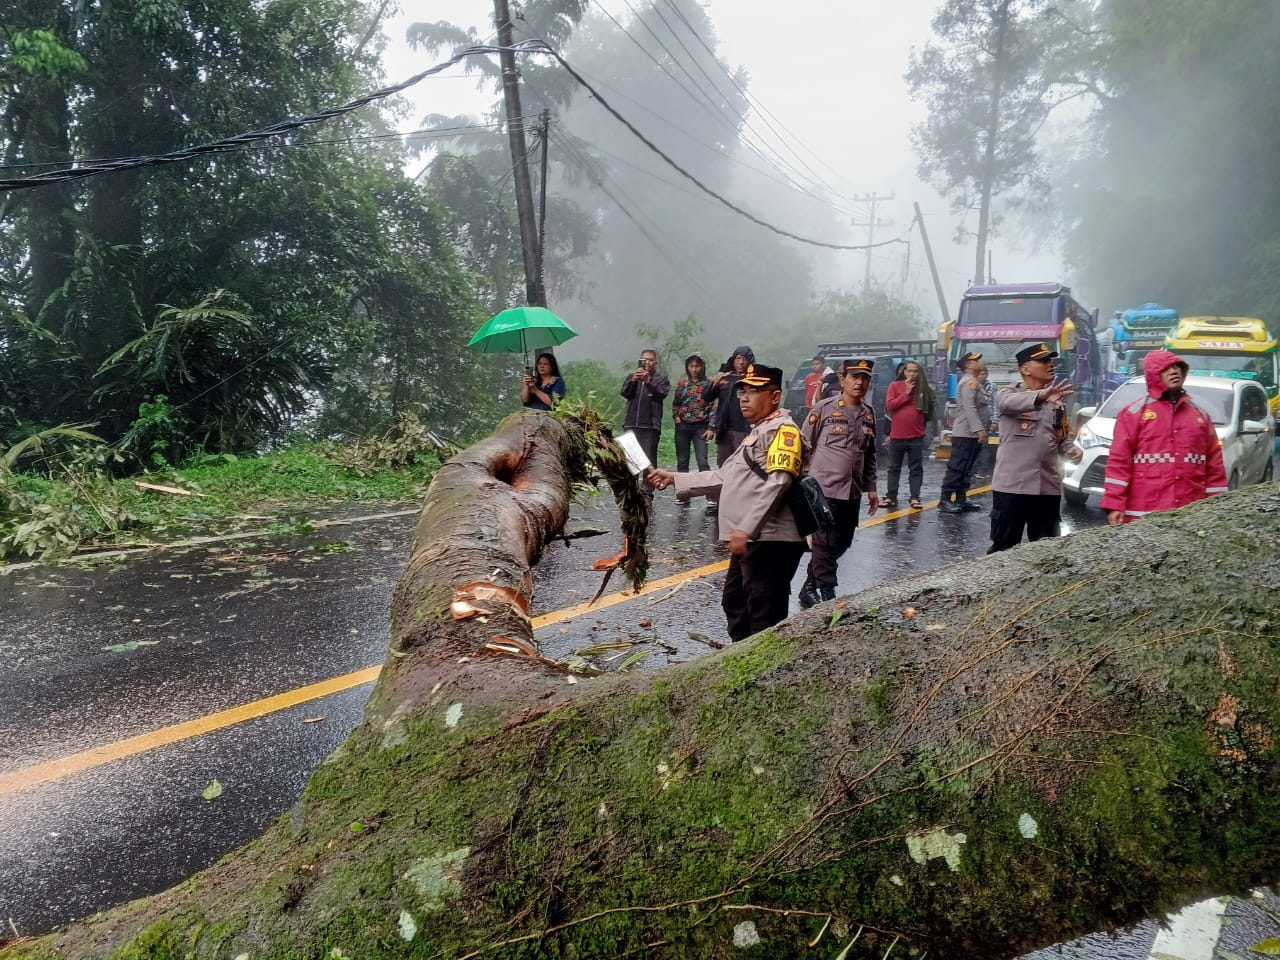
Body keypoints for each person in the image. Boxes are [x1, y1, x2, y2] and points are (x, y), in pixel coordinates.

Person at [648, 364, 806, 641]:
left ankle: (762, 672)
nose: (744, 397)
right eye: (742, 391)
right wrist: (675, 478)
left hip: (770, 540)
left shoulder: (784, 432)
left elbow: (779, 482)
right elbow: (724, 476)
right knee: (735, 603)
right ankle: (742, 662)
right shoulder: (758, 432)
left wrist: (746, 529)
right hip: (751, 540)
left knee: (763, 613)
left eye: (754, 391)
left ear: (775, 396)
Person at [1099, 349, 1227, 524]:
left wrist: (1217, 507)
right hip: (1143, 516)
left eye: (1177, 367)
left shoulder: (1200, 416)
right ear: (1153, 374)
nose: (1174, 371)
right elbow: (1119, 462)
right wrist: (1114, 505)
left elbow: (1215, 467)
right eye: (1166, 368)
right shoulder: (1133, 413)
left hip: (1190, 515)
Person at [797, 359, 880, 608]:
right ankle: (827, 595)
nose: (859, 382)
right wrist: (799, 485)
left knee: (842, 542)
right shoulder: (823, 410)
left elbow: (870, 454)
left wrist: (872, 488)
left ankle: (809, 585)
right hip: (824, 490)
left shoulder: (869, 414)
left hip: (851, 491)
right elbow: (802, 445)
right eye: (854, 377)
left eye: (864, 378)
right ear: (842, 379)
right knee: (823, 541)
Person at [987, 343, 1083, 553]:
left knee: (1047, 552)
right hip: (1013, 488)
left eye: (1051, 361)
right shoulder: (1009, 393)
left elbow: (1060, 435)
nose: (1050, 365)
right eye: (1043, 361)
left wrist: (1070, 448)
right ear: (1025, 369)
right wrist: (1042, 396)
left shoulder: (1056, 402)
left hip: (1047, 487)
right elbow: (1005, 404)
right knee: (1003, 549)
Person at [703, 345, 755, 514]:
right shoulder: (726, 378)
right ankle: (721, 503)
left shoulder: (754, 378)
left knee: (743, 465)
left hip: (744, 429)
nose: (740, 362)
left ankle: (742, 503)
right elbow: (706, 397)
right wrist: (717, 382)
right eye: (737, 358)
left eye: (743, 359)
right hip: (725, 429)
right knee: (723, 466)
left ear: (750, 361)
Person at [939, 352, 987, 514]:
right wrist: (978, 429)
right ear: (968, 365)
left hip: (971, 434)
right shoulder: (969, 383)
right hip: (966, 433)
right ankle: (945, 500)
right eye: (976, 361)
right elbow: (969, 408)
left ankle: (961, 499)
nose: (980, 362)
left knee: (967, 468)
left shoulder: (974, 382)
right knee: (957, 467)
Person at [882, 359, 933, 511]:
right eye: (909, 371)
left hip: (916, 436)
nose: (912, 374)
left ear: (919, 373)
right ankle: (891, 496)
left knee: (916, 468)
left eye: (915, 371)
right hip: (897, 436)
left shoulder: (924, 389)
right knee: (893, 468)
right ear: (904, 372)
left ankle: (915, 497)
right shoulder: (895, 386)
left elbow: (929, 409)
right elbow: (890, 405)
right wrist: (907, 393)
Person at [620, 348, 670, 467]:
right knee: (631, 461)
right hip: (631, 423)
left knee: (649, 460)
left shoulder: (661, 379)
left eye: (650, 360)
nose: (647, 362)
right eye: (644, 360)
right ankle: (632, 486)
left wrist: (648, 381)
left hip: (650, 426)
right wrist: (633, 381)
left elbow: (661, 394)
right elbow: (625, 393)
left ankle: (649, 486)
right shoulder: (632, 376)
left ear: (655, 363)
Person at [672, 353, 715, 474]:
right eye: (691, 366)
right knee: (682, 461)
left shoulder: (709, 384)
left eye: (697, 366)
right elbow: (676, 402)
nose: (694, 369)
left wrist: (712, 427)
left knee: (702, 461)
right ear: (687, 367)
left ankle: (708, 490)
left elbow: (714, 406)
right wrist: (676, 416)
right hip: (683, 426)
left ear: (702, 367)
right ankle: (682, 490)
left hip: (701, 427)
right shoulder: (683, 384)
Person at [974, 363, 998, 479]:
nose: (981, 376)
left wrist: (994, 421)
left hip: (986, 420)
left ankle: (983, 471)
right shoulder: (972, 385)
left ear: (987, 375)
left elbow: (995, 404)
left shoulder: (992, 387)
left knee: (984, 445)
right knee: (972, 445)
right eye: (979, 374)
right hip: (974, 419)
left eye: (983, 374)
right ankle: (973, 469)